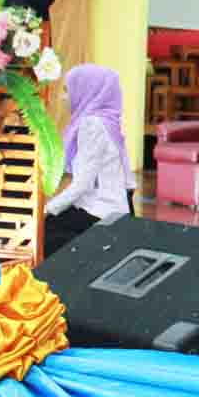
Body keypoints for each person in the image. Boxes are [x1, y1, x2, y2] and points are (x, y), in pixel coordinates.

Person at [45, 64, 135, 256]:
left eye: (67, 90)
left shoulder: (92, 125)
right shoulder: (108, 121)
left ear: (87, 90)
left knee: (44, 231)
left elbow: (82, 184)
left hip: (101, 213)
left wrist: (47, 209)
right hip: (113, 209)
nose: (63, 97)